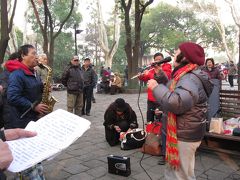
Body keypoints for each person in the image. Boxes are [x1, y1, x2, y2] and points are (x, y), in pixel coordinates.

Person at [148, 42, 213, 180]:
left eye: (177, 52)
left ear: (185, 57)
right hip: (185, 131)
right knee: (183, 173)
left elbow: (176, 103)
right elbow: (175, 89)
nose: (173, 55)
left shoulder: (189, 78)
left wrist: (155, 87)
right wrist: (159, 75)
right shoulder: (187, 75)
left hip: (184, 134)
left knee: (179, 176)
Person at [5, 44, 48, 179]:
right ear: (23, 56)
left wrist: (43, 87)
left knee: (35, 155)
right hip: (20, 122)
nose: (36, 57)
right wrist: (33, 106)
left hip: (31, 119)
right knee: (27, 158)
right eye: (33, 54)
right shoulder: (17, 74)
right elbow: (12, 97)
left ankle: (36, 174)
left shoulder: (33, 72)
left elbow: (31, 90)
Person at [138, 52, 172, 122]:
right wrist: (141, 76)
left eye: (160, 59)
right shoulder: (152, 68)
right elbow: (146, 77)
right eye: (156, 60)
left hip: (161, 98)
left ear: (163, 60)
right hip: (151, 98)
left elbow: (164, 77)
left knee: (160, 118)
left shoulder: (167, 67)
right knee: (149, 118)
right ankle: (150, 131)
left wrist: (149, 73)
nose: (158, 61)